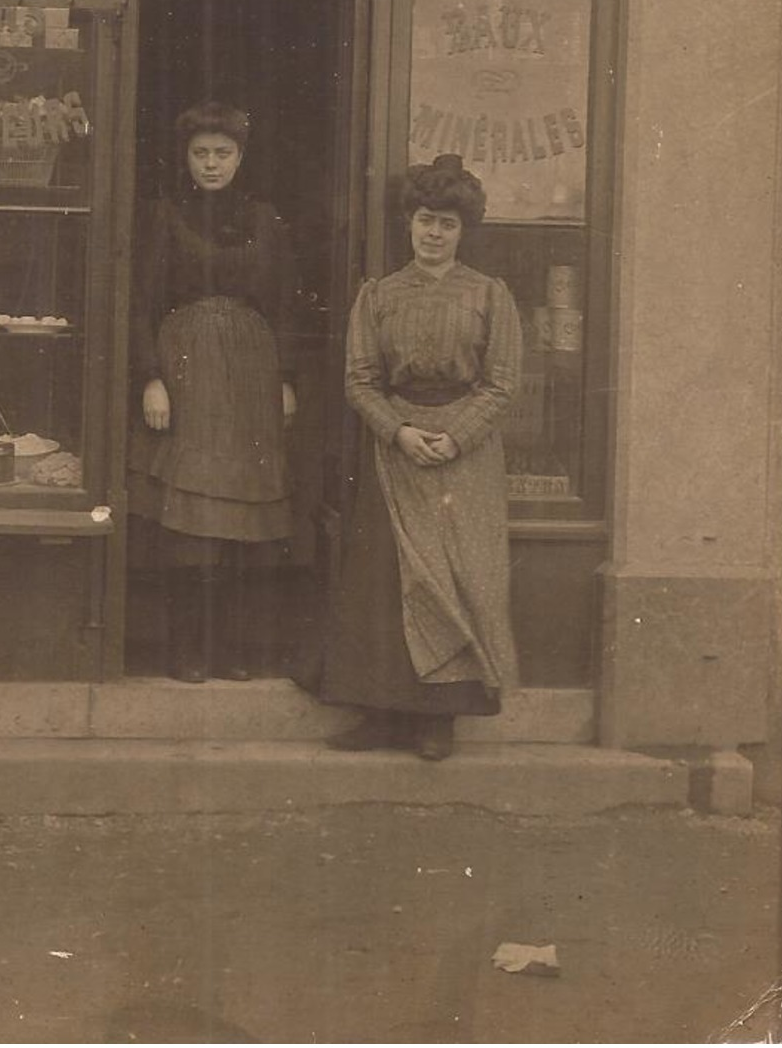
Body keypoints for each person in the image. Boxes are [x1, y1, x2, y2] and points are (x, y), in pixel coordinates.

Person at [320, 153, 522, 760]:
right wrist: (399, 431)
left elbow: (503, 383)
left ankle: (439, 721)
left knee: (455, 580)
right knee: (385, 582)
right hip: (398, 450)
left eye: (448, 224)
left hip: (466, 454)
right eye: (425, 220)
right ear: (409, 222)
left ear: (464, 232)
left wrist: (456, 435)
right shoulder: (379, 297)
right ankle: (382, 714)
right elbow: (360, 380)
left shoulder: (489, 296)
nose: (434, 233)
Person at [129, 101, 299, 682]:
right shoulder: (164, 215)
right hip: (187, 369)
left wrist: (286, 381)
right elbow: (140, 302)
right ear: (186, 157)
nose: (211, 164)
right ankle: (187, 648)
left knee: (244, 517)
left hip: (252, 373)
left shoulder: (265, 220)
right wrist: (151, 375)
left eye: (222, 154)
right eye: (200, 153)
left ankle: (233, 649)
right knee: (192, 515)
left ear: (240, 158)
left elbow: (284, 305)